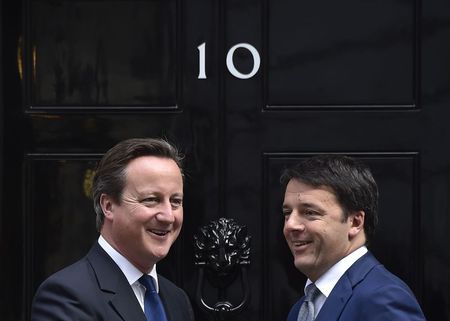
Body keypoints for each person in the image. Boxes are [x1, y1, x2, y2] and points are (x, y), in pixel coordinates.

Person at [31, 138, 195, 321]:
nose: (168, 216)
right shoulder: (67, 296)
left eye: (175, 202)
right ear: (108, 206)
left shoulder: (177, 300)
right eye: (151, 199)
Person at [281, 155, 426, 321]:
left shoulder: (383, 299)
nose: (290, 225)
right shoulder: (300, 309)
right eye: (287, 213)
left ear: (355, 222)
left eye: (310, 212)